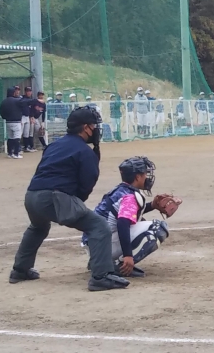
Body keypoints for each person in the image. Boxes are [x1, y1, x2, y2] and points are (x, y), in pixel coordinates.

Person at [8, 106, 129, 292]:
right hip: (54, 197)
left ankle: (20, 270)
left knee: (38, 227)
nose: (96, 129)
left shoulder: (54, 145)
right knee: (99, 226)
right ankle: (101, 276)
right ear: (85, 127)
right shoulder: (84, 151)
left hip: (31, 196)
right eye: (94, 125)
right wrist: (74, 203)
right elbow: (87, 184)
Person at [81, 157, 169, 278]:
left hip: (95, 244)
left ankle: (99, 261)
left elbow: (126, 214)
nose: (147, 177)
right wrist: (128, 255)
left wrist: (153, 205)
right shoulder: (130, 196)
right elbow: (122, 223)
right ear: (137, 177)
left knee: (138, 221)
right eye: (144, 174)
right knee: (157, 228)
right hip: (102, 244)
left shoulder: (121, 190)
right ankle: (118, 266)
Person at [0, 87, 24, 159]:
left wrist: (4, 117)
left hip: (8, 122)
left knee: (10, 137)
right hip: (16, 122)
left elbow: (1, 111)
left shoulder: (4, 101)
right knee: (17, 137)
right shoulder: (17, 100)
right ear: (13, 93)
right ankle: (16, 153)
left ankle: (10, 153)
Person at [20, 87, 36, 153]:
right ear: (25, 92)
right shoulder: (22, 98)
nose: (29, 92)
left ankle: (26, 147)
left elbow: (31, 109)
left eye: (30, 91)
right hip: (22, 117)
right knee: (19, 133)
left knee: (26, 133)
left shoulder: (31, 100)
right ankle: (17, 148)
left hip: (27, 117)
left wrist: (32, 117)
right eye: (27, 91)